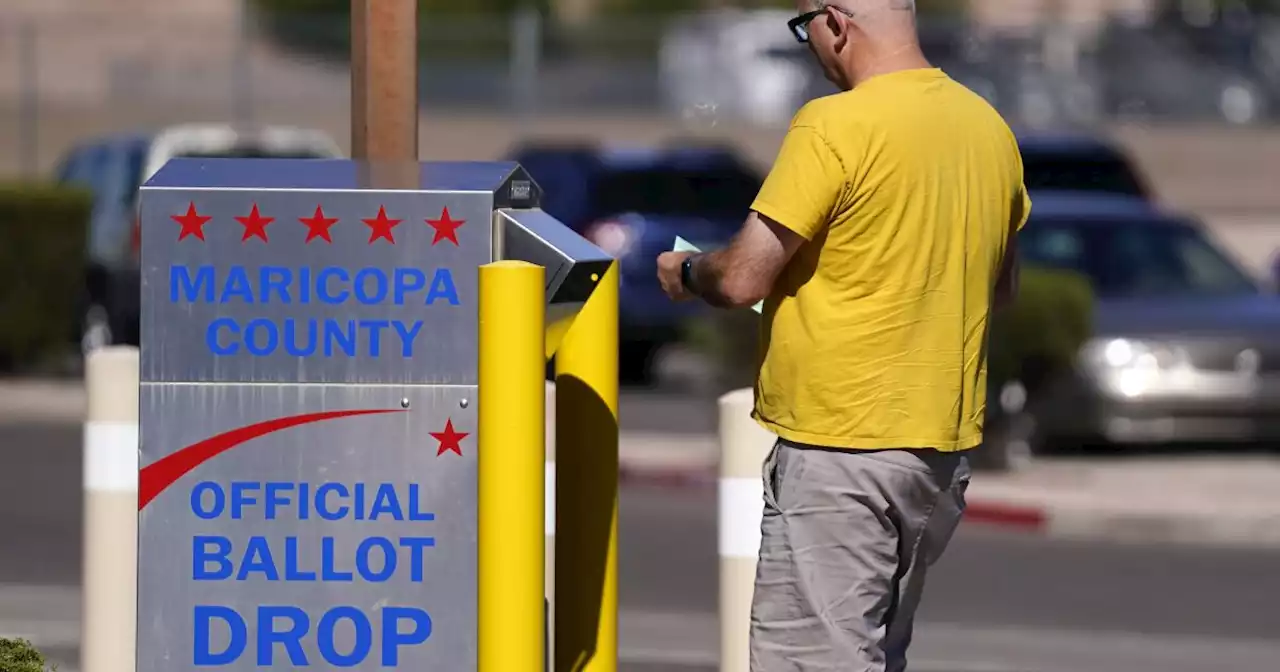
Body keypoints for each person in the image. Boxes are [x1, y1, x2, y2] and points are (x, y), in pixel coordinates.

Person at [655, 0, 1030, 669]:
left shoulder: (835, 125)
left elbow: (742, 278)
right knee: (877, 653)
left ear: (835, 22)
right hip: (937, 453)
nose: (811, 47)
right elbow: (999, 290)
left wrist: (687, 269)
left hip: (840, 448)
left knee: (811, 658)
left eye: (805, 30)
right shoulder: (988, 128)